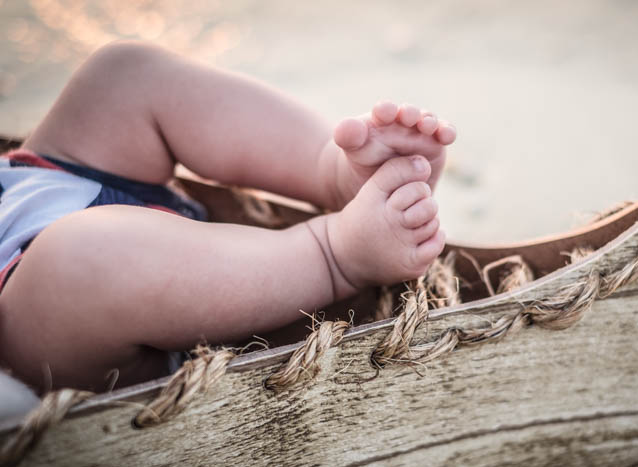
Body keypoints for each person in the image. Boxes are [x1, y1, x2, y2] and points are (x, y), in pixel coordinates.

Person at [0, 41, 456, 393]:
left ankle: (333, 171)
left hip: (33, 192)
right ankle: (334, 255)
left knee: (122, 75)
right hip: (41, 328)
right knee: (82, 262)